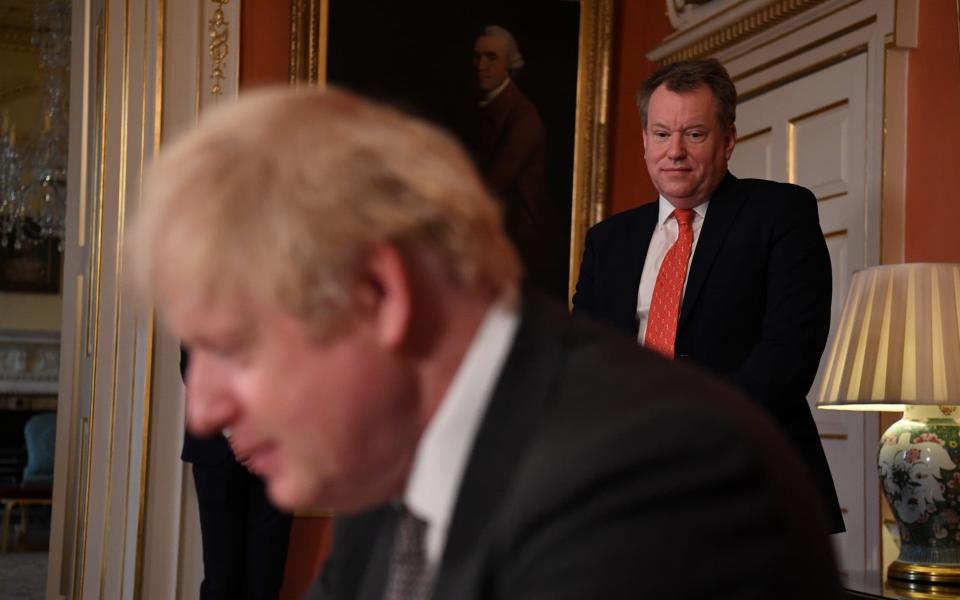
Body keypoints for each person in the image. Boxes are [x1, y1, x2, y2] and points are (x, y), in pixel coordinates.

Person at [128, 86, 843, 599]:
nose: (204, 410)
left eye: (238, 346)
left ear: (385, 295)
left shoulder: (650, 488)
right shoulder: (394, 464)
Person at [572, 58, 844, 534]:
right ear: (644, 140)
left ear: (728, 140)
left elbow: (788, 354)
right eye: (661, 134)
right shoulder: (607, 240)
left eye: (694, 134)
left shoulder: (779, 213)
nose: (674, 151)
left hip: (747, 485)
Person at [180, 349, 292, 600]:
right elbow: (193, 361)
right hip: (217, 449)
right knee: (221, 583)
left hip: (277, 450)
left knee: (265, 583)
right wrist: (238, 433)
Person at [466, 25, 564, 298]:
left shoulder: (523, 117)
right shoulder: (484, 108)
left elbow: (495, 183)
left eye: (491, 57)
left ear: (510, 63)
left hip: (520, 247)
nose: (481, 65)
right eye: (477, 57)